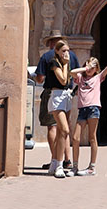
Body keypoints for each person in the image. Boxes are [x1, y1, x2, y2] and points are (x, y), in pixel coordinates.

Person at [35, 31, 79, 173]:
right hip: (66, 94)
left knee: (54, 128)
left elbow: (40, 78)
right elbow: (76, 75)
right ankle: (65, 160)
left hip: (52, 93)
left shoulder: (47, 57)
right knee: (64, 128)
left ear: (52, 44)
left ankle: (56, 159)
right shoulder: (70, 56)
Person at [46, 40, 76, 178]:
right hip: (57, 96)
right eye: (63, 51)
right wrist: (65, 64)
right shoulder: (54, 63)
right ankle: (59, 164)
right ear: (56, 51)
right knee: (65, 130)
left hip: (67, 96)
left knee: (60, 133)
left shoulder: (67, 63)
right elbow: (63, 80)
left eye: (67, 50)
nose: (66, 53)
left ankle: (53, 163)